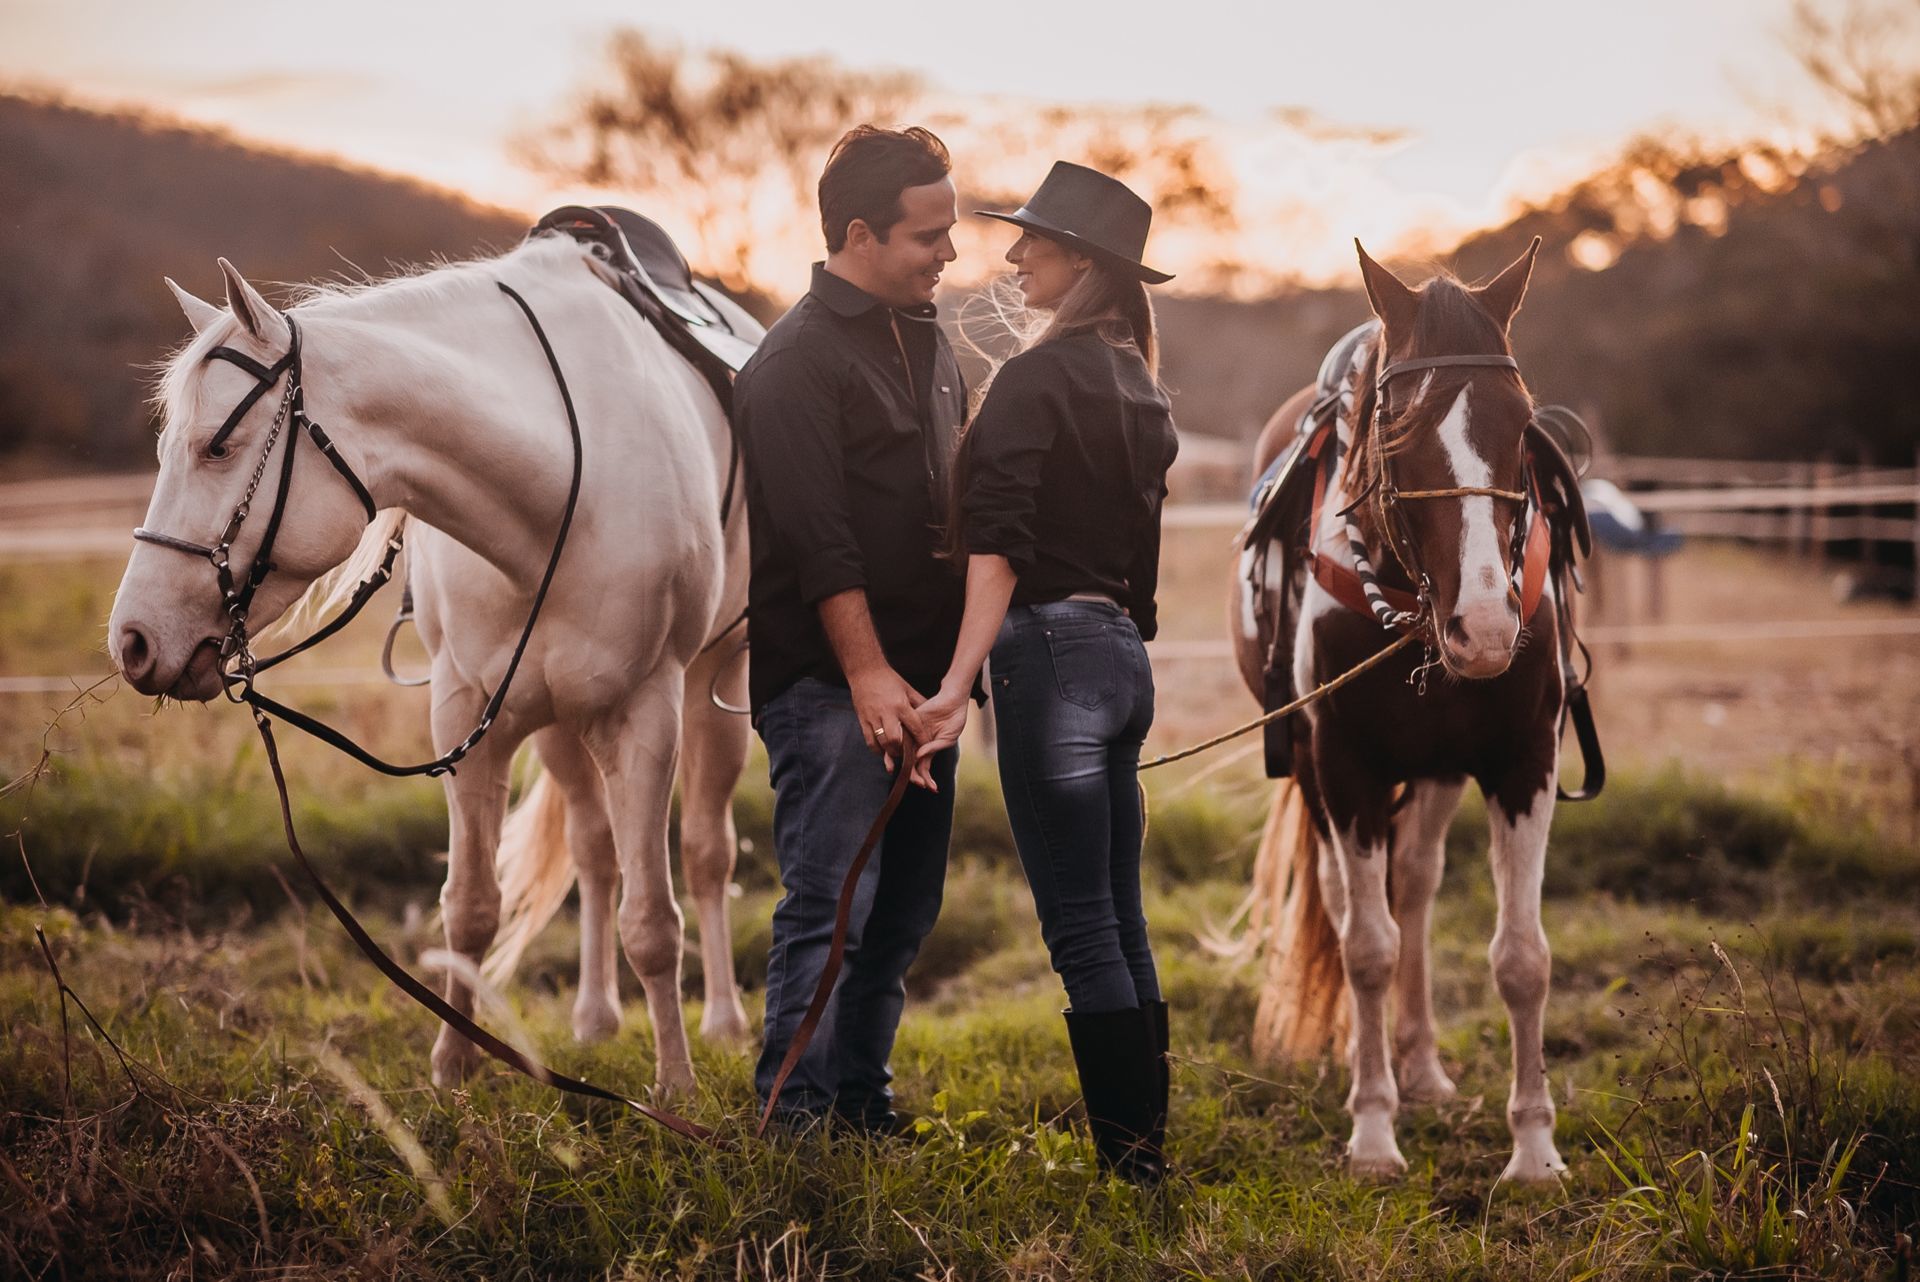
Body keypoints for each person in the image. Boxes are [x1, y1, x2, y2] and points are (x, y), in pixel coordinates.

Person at [913, 162, 1180, 1182]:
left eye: (1035, 241)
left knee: (1081, 928)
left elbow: (998, 541)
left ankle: (1135, 1171)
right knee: (1121, 914)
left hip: (1052, 657)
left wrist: (955, 681)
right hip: (1121, 661)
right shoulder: (1140, 386)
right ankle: (1149, 1154)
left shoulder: (1035, 377)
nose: (1015, 255)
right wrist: (1116, 642)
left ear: (1084, 263)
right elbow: (1142, 570)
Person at [732, 125, 969, 1134]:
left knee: (903, 915)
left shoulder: (929, 341)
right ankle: (792, 1125)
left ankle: (862, 1107)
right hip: (834, 691)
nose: (951, 254)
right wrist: (871, 675)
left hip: (924, 690)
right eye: (930, 236)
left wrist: (949, 684)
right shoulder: (790, 365)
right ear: (861, 234)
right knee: (832, 910)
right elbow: (818, 541)